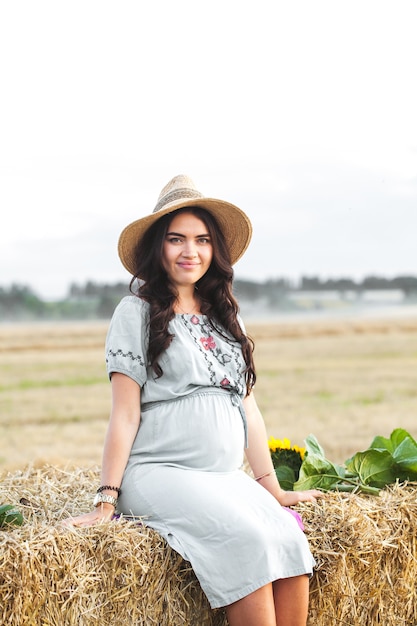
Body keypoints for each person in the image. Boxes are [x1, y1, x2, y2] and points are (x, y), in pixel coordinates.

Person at [65, 175, 323, 626]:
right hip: (159, 472)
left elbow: (248, 409)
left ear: (215, 250)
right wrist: (106, 501)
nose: (191, 250)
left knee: (289, 541)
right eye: (177, 239)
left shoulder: (224, 316)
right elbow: (124, 415)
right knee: (247, 540)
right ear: (157, 248)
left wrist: (272, 488)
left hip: (222, 476)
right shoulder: (136, 311)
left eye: (202, 240)